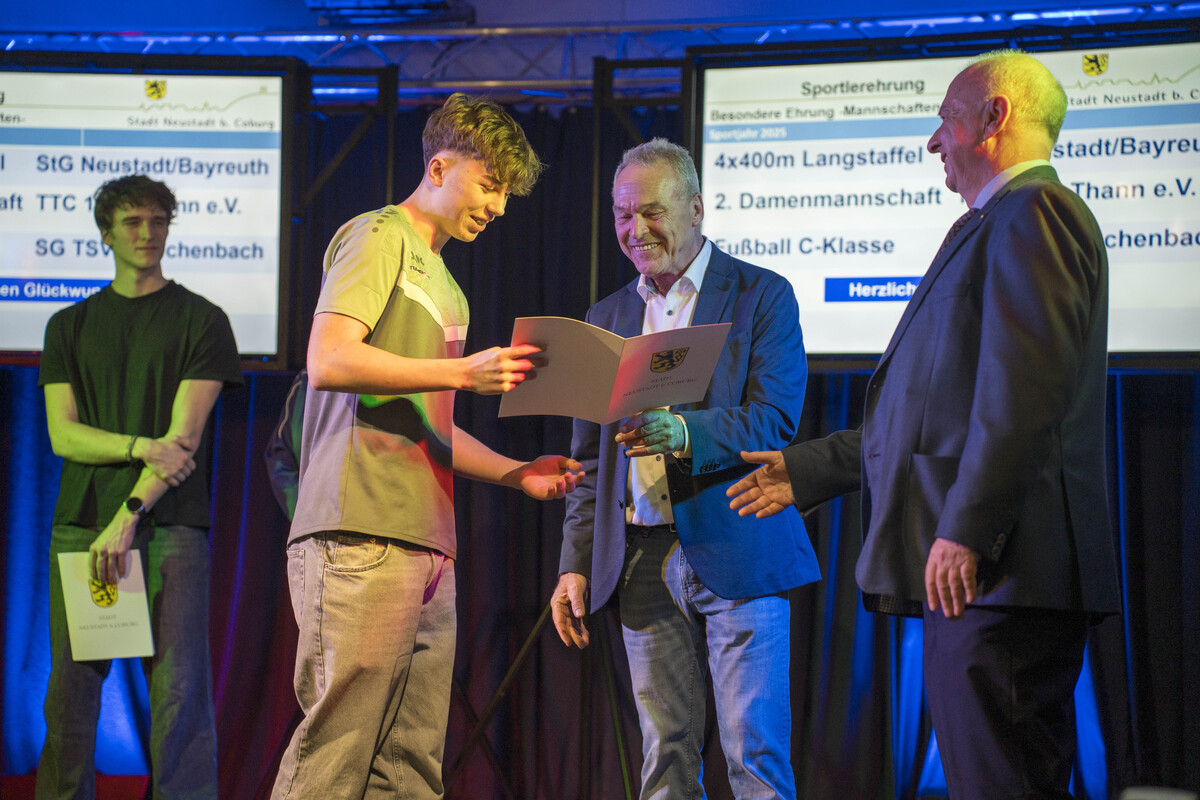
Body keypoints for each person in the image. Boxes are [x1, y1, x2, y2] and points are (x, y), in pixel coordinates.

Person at [728, 50, 1121, 799]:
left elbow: (1024, 395)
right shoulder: (997, 222)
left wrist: (967, 528)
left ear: (995, 116)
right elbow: (931, 413)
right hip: (988, 582)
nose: (933, 141)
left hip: (1004, 573)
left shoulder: (1037, 211)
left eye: (946, 120)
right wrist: (808, 468)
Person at [271, 93, 583, 800]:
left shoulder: (449, 286)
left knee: (410, 767)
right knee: (336, 753)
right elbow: (329, 359)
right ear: (439, 167)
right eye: (489, 185)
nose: (497, 207)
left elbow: (429, 424)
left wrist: (515, 472)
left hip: (426, 542)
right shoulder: (378, 235)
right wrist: (463, 372)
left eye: (505, 194)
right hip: (358, 530)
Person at [551, 138, 818, 800]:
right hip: (639, 559)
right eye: (622, 215)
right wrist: (574, 563)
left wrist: (685, 433)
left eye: (652, 212)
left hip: (738, 544)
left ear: (695, 208)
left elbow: (774, 421)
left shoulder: (761, 295)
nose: (635, 230)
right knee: (664, 758)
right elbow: (590, 462)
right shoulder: (607, 317)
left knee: (754, 755)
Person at [37, 174, 243, 798]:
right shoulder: (68, 325)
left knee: (180, 693)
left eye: (158, 221)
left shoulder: (203, 320)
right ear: (106, 234)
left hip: (168, 526)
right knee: (70, 695)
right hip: (81, 524)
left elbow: (183, 439)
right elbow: (64, 436)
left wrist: (127, 515)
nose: (147, 233)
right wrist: (135, 446)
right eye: (132, 222)